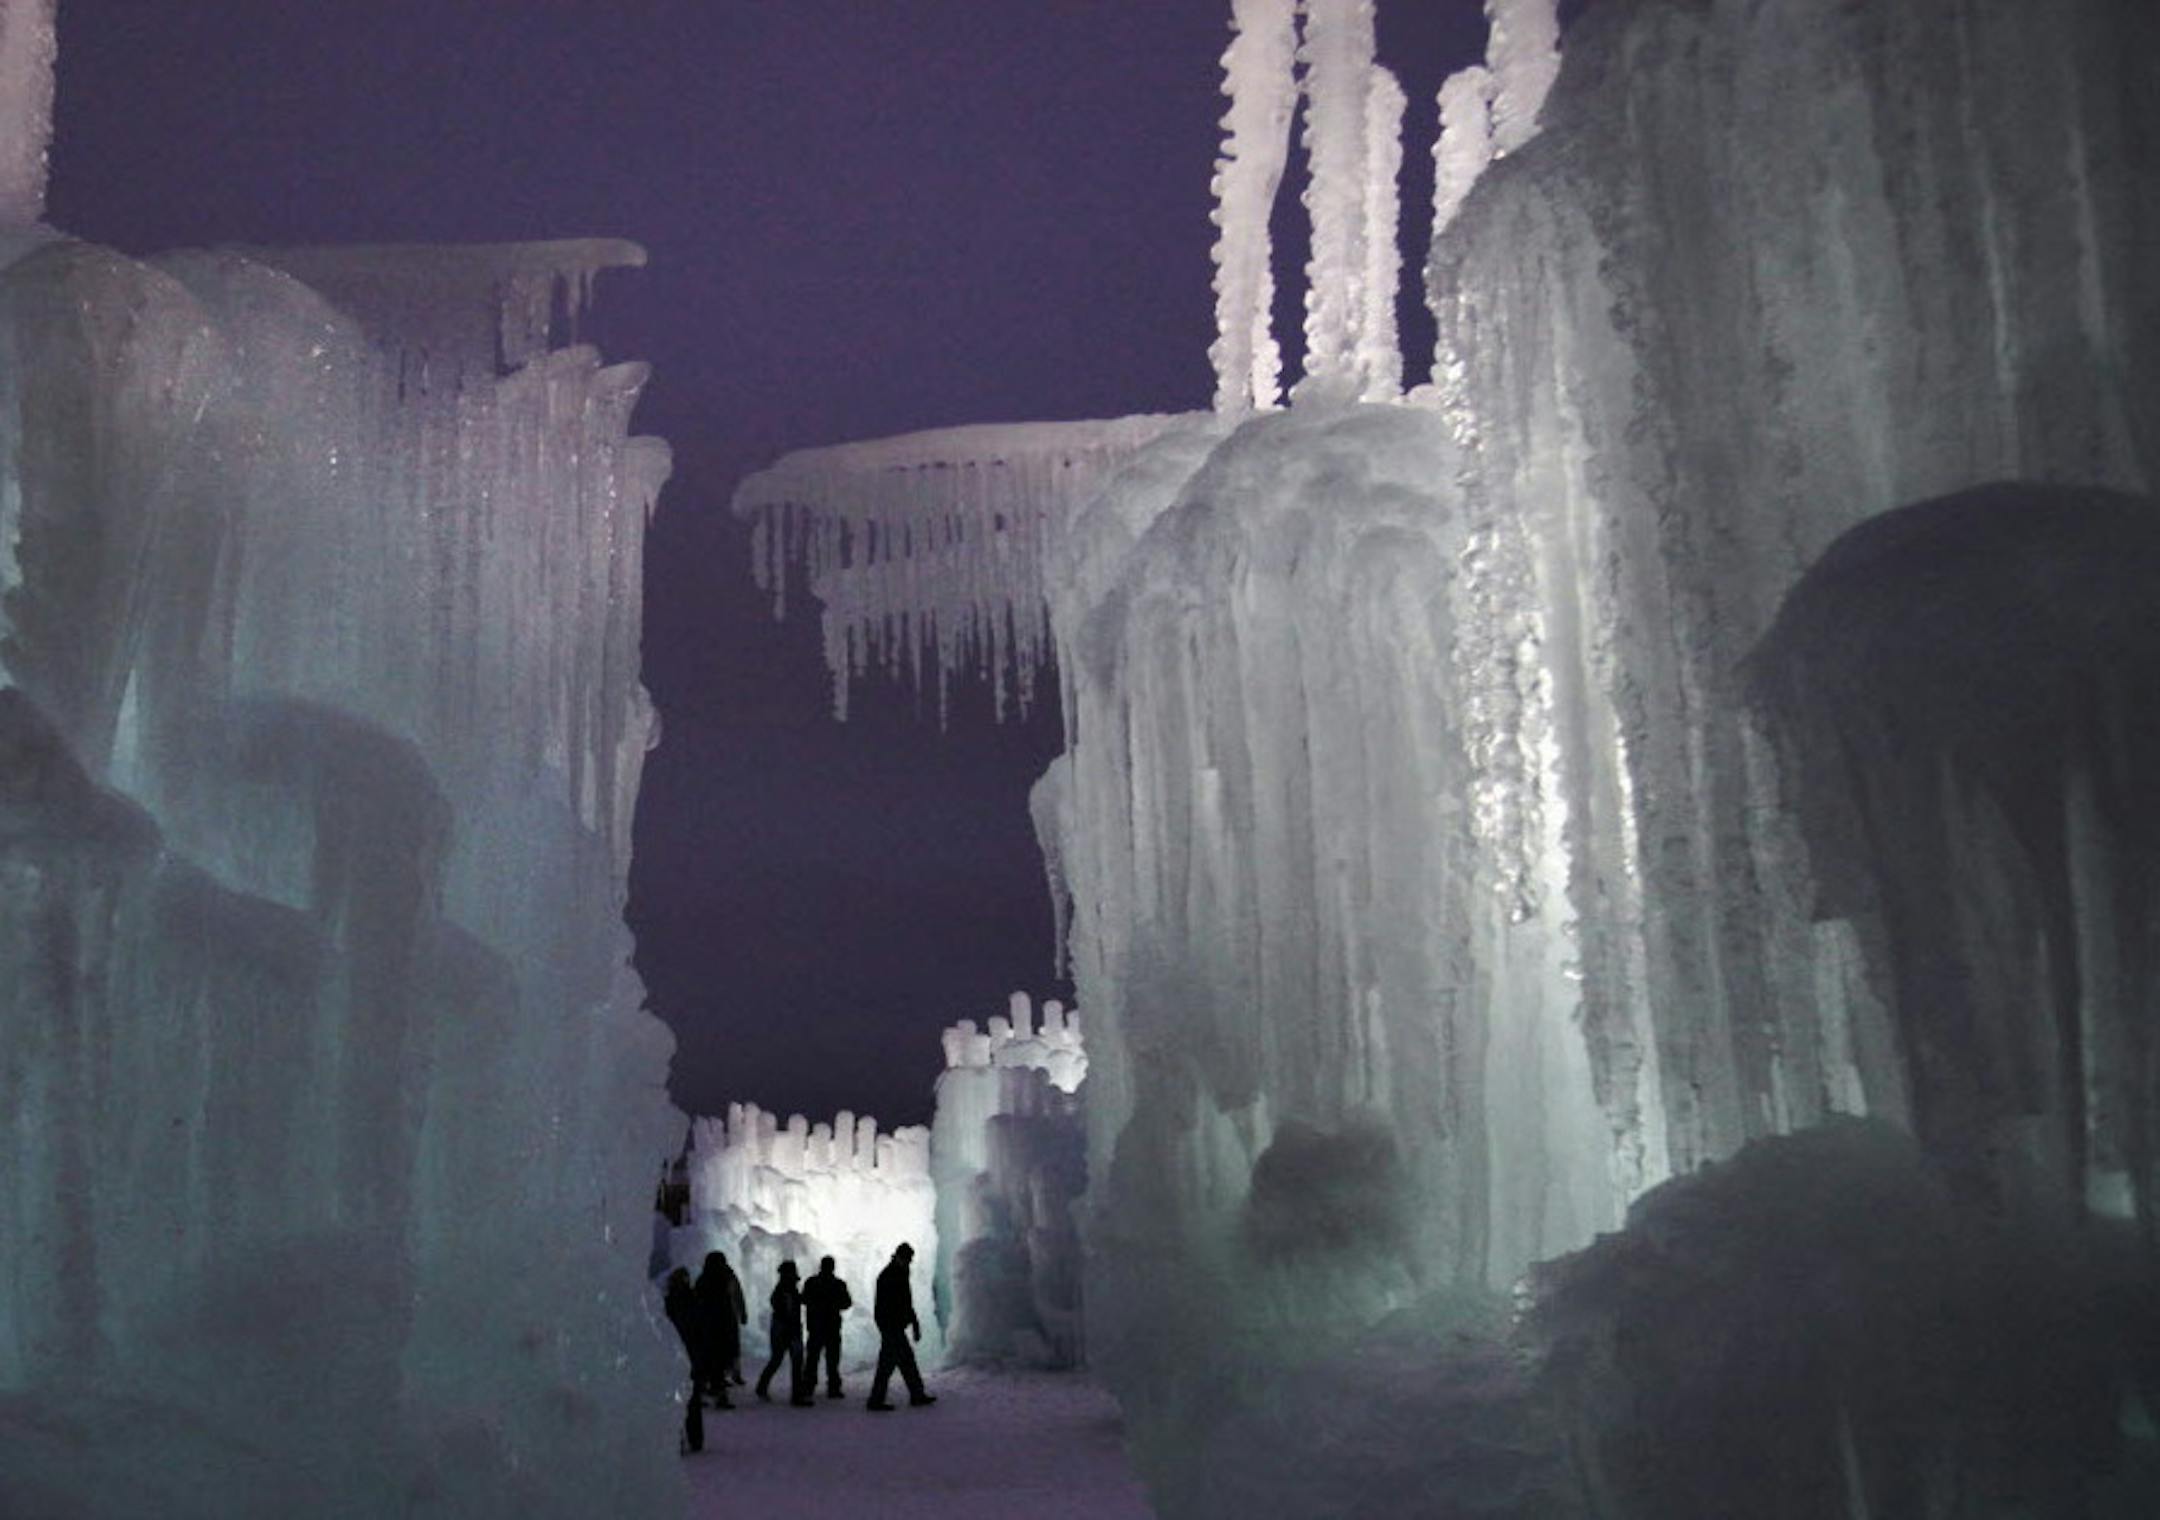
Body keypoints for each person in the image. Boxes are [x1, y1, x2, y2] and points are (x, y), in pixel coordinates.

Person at [866, 1242, 936, 1411]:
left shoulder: (899, 1272)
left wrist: (914, 1322)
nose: (910, 1262)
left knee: (897, 1362)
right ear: (900, 1256)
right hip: (891, 1326)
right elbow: (886, 1305)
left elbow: (905, 1301)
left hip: (894, 1326)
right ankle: (913, 1395)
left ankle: (912, 1395)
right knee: (900, 1362)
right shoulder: (889, 1275)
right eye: (908, 1258)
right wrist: (891, 1326)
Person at [663, 1267, 714, 1450]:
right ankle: (695, 1439)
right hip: (692, 1354)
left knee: (675, 1400)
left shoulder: (668, 1302)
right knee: (692, 1400)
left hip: (675, 1354)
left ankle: (677, 1439)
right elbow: (702, 1329)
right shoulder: (694, 1300)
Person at [756, 1259, 814, 1406]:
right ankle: (797, 1395)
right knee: (795, 1361)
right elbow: (788, 1310)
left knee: (777, 1359)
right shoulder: (787, 1289)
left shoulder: (784, 1288)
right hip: (788, 1330)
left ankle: (762, 1387)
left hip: (781, 1329)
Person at [694, 1250, 748, 1400]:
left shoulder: (708, 1278)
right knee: (720, 1353)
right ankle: (717, 1385)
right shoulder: (722, 1277)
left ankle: (716, 1381)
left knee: (719, 1353)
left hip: (718, 1322)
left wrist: (742, 1312)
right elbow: (737, 1295)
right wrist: (742, 1313)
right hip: (721, 1321)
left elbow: (736, 1294)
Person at [799, 1255, 854, 1399]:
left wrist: (816, 1304)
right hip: (832, 1327)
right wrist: (833, 1304)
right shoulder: (838, 1284)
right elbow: (847, 1303)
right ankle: (833, 1388)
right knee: (832, 1360)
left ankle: (809, 1386)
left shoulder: (811, 1282)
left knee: (813, 1359)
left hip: (816, 1326)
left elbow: (803, 1299)